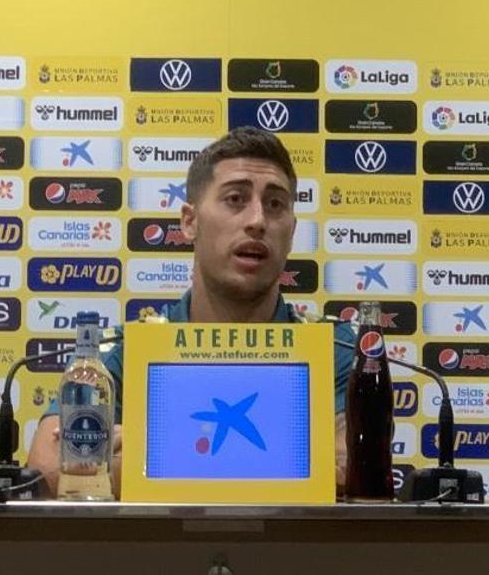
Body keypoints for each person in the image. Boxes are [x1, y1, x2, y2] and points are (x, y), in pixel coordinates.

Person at [27, 127, 355, 498]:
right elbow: (48, 468)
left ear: (292, 231)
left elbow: (356, 472)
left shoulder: (337, 350)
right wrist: (293, 453)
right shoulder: (124, 351)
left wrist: (142, 445)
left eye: (276, 204)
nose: (258, 220)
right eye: (235, 199)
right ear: (190, 221)